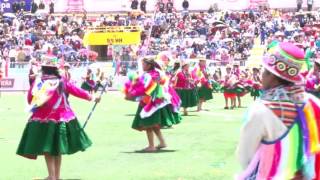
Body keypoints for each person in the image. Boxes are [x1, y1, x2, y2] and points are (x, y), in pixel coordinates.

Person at [236, 42, 320, 179]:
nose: (261, 76)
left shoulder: (261, 109)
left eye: (264, 71)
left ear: (272, 77)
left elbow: (245, 157)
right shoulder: (314, 103)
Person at [17, 60, 100, 180]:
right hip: (62, 117)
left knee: (48, 148)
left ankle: (51, 176)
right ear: (56, 68)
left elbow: (30, 99)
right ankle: (56, 176)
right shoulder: (62, 81)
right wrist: (92, 97)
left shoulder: (39, 82)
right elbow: (77, 91)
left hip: (43, 119)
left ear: (43, 68)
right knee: (57, 148)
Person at [123, 57, 181, 152]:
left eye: (144, 65)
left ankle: (151, 146)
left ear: (149, 65)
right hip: (156, 102)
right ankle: (162, 142)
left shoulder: (149, 75)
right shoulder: (156, 73)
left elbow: (144, 89)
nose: (142, 66)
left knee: (148, 124)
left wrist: (131, 95)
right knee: (154, 125)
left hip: (149, 103)